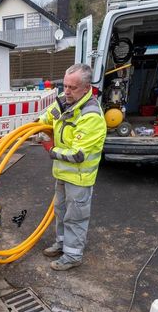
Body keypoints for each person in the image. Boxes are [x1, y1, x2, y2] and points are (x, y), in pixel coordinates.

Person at [38, 63, 107, 271]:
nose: (66, 91)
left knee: (75, 217)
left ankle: (73, 255)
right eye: (65, 86)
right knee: (60, 211)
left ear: (86, 88)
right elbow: (46, 117)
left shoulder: (91, 116)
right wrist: (36, 127)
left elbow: (77, 155)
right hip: (62, 173)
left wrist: (50, 148)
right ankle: (62, 244)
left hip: (79, 176)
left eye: (72, 87)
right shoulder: (64, 101)